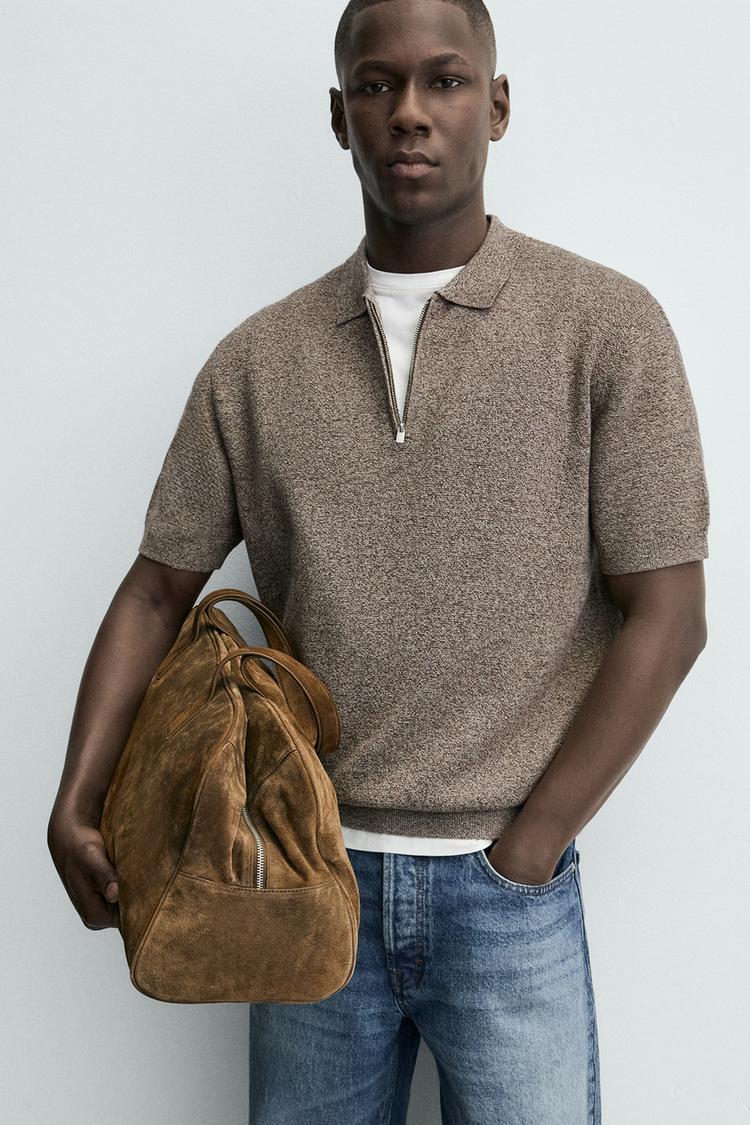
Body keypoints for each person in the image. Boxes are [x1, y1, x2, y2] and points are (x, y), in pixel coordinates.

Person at [48, 0, 710, 1121]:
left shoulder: (606, 327)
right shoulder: (257, 361)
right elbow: (157, 588)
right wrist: (78, 794)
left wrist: (531, 847)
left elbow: (670, 614)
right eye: (375, 84)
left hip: (508, 892)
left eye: (445, 80)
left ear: (498, 106)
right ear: (339, 115)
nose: (409, 112)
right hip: (301, 875)